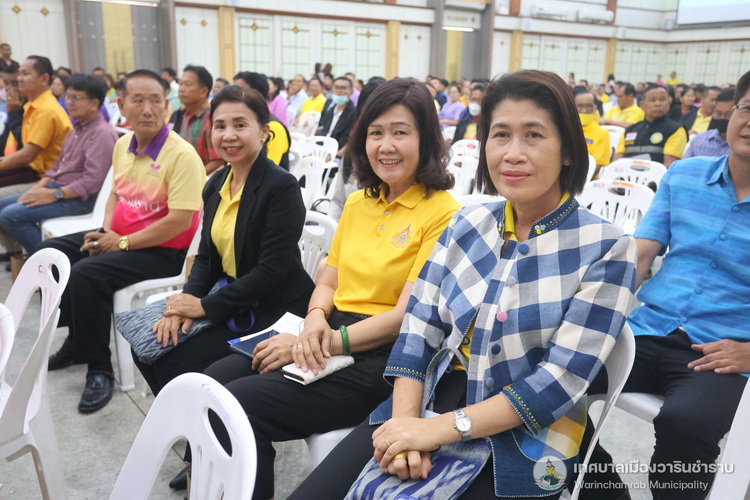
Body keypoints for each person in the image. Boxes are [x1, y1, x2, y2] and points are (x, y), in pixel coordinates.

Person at [288, 69, 637, 500]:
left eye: (533, 136)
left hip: (523, 431)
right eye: (500, 135)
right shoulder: (467, 224)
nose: (513, 154)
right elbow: (418, 330)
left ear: (567, 150)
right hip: (432, 395)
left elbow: (559, 381)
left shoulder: (605, 248)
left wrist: (436, 430)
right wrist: (405, 425)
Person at [202, 78, 459, 500]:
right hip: (328, 328)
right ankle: (214, 476)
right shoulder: (359, 202)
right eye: (376, 133)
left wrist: (318, 344)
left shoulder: (443, 214)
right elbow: (328, 279)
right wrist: (315, 320)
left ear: (426, 139)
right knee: (215, 379)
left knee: (241, 403)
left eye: (400, 132)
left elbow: (404, 317)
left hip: (385, 356)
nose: (386, 146)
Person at [578, 69, 750, 500]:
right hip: (647, 329)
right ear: (731, 113)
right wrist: (597, 315)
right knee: (546, 384)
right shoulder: (685, 175)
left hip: (723, 350)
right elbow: (640, 255)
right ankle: (606, 493)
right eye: (748, 109)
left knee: (685, 425)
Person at [39, 69, 205, 413]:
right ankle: (76, 338)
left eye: (156, 101)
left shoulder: (181, 155)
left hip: (164, 251)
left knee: (87, 273)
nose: (148, 109)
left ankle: (99, 369)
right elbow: (116, 194)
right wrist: (105, 232)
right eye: (137, 100)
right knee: (50, 254)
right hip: (120, 239)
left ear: (166, 106)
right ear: (121, 105)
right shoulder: (121, 145)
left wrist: (123, 242)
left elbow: (180, 221)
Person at [133, 85, 314, 397]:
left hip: (274, 307)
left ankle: (194, 419)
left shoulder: (281, 187)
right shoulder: (217, 182)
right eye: (220, 126)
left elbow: (271, 271)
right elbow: (206, 257)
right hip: (233, 296)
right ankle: (183, 417)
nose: (229, 135)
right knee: (149, 344)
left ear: (264, 132)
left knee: (174, 360)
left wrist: (203, 306)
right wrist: (185, 303)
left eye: (240, 125)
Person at [0, 74, 117, 255]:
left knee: (12, 216)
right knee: (3, 206)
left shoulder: (101, 134)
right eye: (67, 96)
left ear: (94, 103)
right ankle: (25, 255)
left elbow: (92, 182)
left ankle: (51, 260)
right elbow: (56, 168)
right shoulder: (76, 129)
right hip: (59, 190)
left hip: (81, 199)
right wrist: (37, 189)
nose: (69, 102)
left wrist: (54, 195)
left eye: (75, 98)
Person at [0, 56, 72, 194]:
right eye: (19, 74)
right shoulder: (31, 106)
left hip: (47, 180)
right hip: (31, 173)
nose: (19, 79)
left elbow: (27, 156)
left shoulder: (46, 110)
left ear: (44, 79)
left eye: (25, 74)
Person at [614, 84, 687, 167]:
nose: (658, 103)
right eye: (652, 100)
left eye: (662, 99)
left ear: (668, 103)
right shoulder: (630, 130)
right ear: (641, 105)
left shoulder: (675, 130)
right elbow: (616, 162)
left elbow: (669, 166)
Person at [170, 65, 224, 174]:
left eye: (187, 84)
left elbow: (218, 160)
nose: (181, 89)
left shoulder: (212, 118)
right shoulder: (186, 115)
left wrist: (196, 177)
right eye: (180, 84)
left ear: (203, 91)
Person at [233, 71, 291, 169]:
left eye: (239, 91)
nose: (232, 95)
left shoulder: (274, 128)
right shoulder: (238, 125)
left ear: (256, 94)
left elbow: (268, 171)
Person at [683, 88, 734, 158]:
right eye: (718, 113)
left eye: (728, 114)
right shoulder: (699, 140)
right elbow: (686, 163)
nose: (722, 117)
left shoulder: (743, 145)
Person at [316, 76, 356, 158]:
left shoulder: (354, 112)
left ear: (351, 92)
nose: (339, 91)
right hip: (322, 148)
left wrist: (335, 155)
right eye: (336, 87)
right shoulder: (330, 109)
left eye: (343, 88)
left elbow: (351, 140)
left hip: (338, 154)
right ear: (332, 90)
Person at [573, 86, 611, 172]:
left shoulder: (602, 134)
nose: (584, 110)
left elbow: (596, 166)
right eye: (579, 106)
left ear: (595, 108)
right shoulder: (564, 129)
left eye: (589, 106)